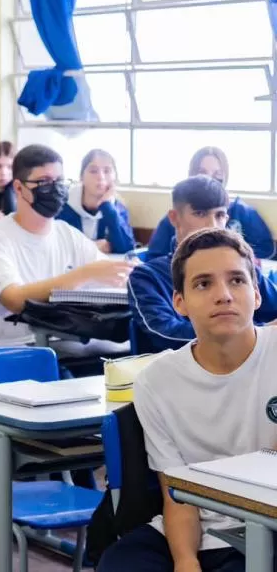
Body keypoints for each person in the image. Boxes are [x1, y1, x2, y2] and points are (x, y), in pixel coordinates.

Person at [98, 227, 276, 572]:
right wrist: (185, 561)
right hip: (195, 528)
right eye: (203, 284)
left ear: (256, 294)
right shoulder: (157, 381)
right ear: (179, 302)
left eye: (237, 281)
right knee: (118, 564)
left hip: (269, 527)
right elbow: (176, 494)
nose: (223, 295)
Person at [0, 145, 133, 346]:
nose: (55, 189)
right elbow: (15, 299)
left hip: (66, 345)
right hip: (13, 351)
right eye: (44, 181)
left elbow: (113, 275)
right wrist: (84, 274)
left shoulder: (67, 233)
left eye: (60, 181)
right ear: (19, 188)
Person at [129, 176, 277, 354]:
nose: (213, 224)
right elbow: (165, 334)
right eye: (200, 213)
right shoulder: (147, 276)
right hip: (180, 374)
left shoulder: (242, 268)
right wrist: (255, 332)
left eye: (220, 215)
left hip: (252, 371)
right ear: (174, 218)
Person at [147, 146, 273, 260]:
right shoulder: (177, 216)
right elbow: (154, 257)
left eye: (217, 174)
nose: (210, 179)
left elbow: (266, 251)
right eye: (200, 213)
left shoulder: (243, 212)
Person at [57, 149, 135, 254]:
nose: (101, 177)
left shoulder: (116, 208)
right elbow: (57, 248)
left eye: (107, 171)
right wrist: (92, 247)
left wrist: (106, 206)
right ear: (81, 177)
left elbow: (126, 249)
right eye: (93, 171)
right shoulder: (63, 206)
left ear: (115, 178)